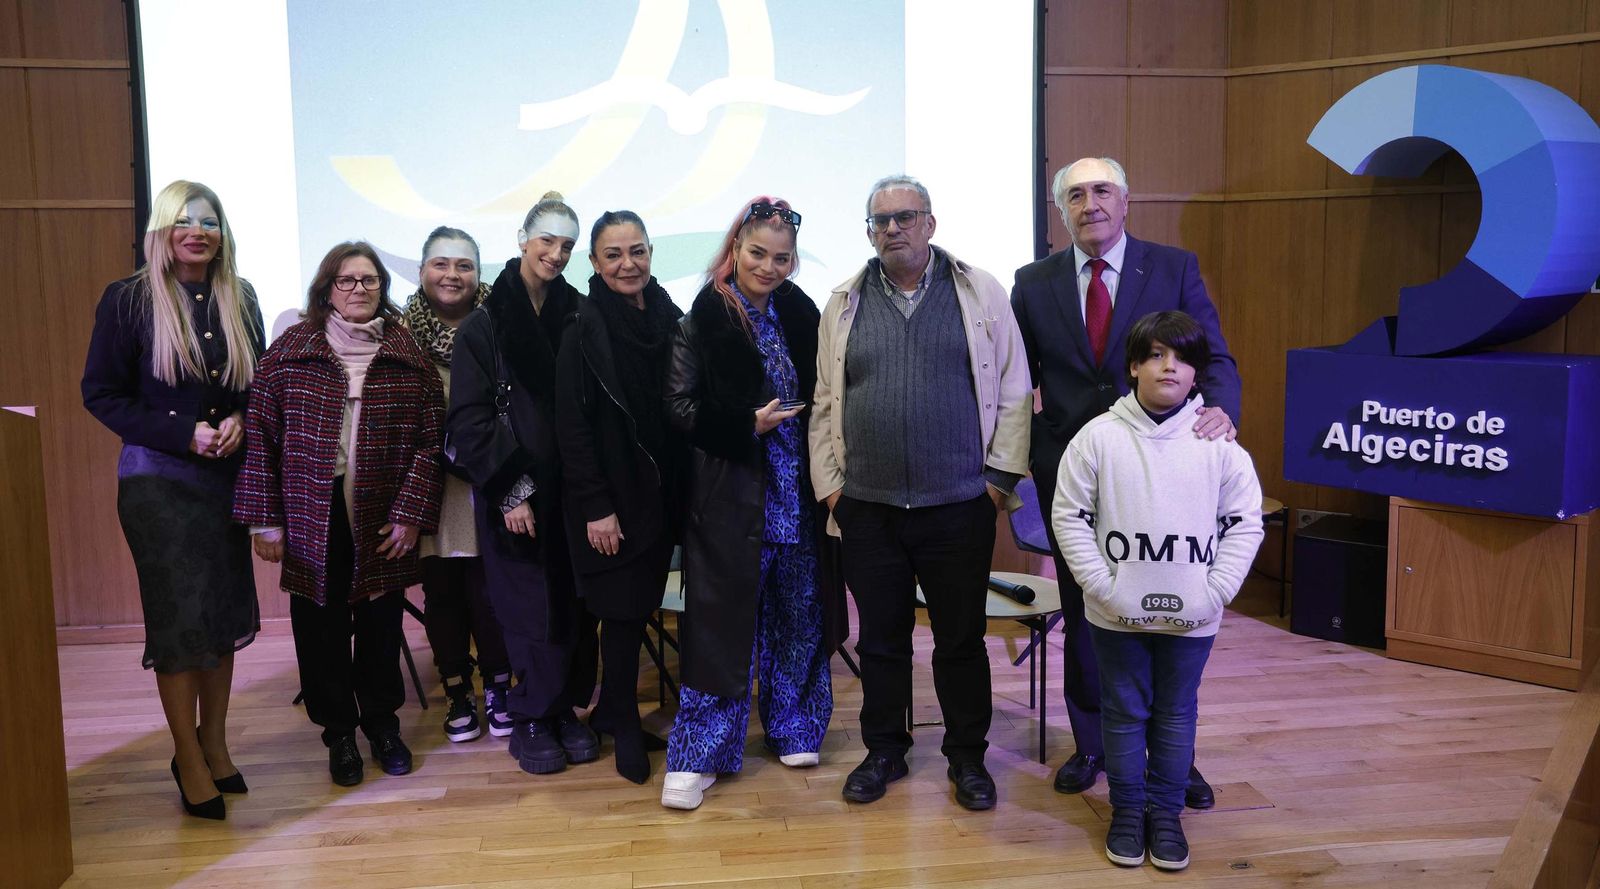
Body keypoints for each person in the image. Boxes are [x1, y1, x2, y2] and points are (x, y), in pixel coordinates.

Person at [1010, 157, 1241, 807]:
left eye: (1102, 191)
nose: (1091, 204)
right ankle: (1095, 746)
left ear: (1126, 200)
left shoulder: (1173, 267)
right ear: (1062, 211)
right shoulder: (1032, 282)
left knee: (1170, 609)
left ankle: (1173, 754)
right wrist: (1020, 456)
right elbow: (1011, 379)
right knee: (1088, 612)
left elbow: (1213, 353)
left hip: (1166, 467)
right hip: (1072, 471)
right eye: (1075, 195)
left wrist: (1222, 409)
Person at [809, 176, 1031, 811]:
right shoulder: (844, 301)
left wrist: (995, 484)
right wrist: (833, 492)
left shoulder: (979, 290)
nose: (893, 229)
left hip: (960, 505)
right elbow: (826, 403)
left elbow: (1013, 389)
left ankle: (967, 757)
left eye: (905, 217)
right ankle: (885, 751)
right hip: (869, 509)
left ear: (930, 224)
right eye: (880, 221)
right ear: (869, 231)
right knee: (880, 639)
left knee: (960, 639)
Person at [1051, 310, 1262, 871]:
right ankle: (1127, 812)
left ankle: (1165, 814)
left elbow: (1245, 522)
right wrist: (1102, 586)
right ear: (1134, 367)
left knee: (1175, 714)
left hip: (1194, 617)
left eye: (1182, 358)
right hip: (1115, 614)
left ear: (1196, 373)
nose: (1169, 366)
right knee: (1122, 713)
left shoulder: (1220, 446)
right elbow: (1069, 515)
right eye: (1156, 355)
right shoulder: (1098, 437)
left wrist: (1215, 592)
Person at [81, 180, 263, 820]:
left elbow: (253, 385)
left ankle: (215, 744)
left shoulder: (240, 298)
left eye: (209, 221)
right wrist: (182, 432)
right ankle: (186, 756)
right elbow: (101, 394)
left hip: (226, 485)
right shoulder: (128, 301)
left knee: (221, 617)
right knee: (182, 626)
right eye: (183, 220)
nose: (198, 230)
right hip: (158, 484)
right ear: (161, 230)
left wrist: (241, 416)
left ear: (223, 234)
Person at [234, 241, 444, 787]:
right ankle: (339, 735)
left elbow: (429, 440)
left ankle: (382, 725)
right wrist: (265, 519)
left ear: (383, 287)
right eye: (347, 280)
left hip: (383, 511)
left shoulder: (407, 352)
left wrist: (412, 515)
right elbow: (261, 436)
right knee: (320, 630)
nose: (358, 290)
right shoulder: (290, 352)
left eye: (369, 280)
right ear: (327, 288)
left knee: (380, 625)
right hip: (312, 510)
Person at [663, 196, 838, 810]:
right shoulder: (701, 320)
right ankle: (698, 757)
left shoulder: (802, 315)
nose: (768, 267)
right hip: (733, 498)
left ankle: (795, 727)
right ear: (734, 249)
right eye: (757, 253)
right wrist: (744, 424)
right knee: (719, 632)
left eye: (781, 258)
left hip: (801, 496)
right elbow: (679, 409)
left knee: (800, 621)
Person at [447, 192, 600, 776]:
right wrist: (512, 490)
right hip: (517, 494)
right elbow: (468, 419)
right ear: (521, 240)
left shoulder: (579, 314)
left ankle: (564, 710)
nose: (557, 254)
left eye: (567, 245)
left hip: (573, 489)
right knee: (528, 607)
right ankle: (532, 716)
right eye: (547, 242)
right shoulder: (484, 328)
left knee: (572, 604)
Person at [554, 210, 684, 785]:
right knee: (623, 615)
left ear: (651, 252)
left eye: (637, 251)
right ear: (594, 263)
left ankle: (613, 708)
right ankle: (624, 720)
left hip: (661, 492)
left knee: (642, 604)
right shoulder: (581, 328)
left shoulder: (670, 316)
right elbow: (572, 430)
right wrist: (596, 506)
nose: (627, 263)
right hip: (612, 499)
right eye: (613, 254)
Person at [400, 226, 512, 743]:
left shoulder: (502, 324)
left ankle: (500, 685)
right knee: (442, 593)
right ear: (422, 271)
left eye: (464, 265)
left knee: (492, 593)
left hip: (493, 482)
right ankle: (456, 690)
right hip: (429, 487)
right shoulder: (399, 334)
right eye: (440, 264)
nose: (452, 275)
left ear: (479, 273)